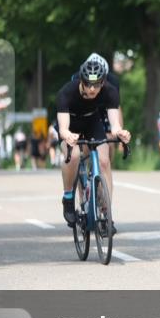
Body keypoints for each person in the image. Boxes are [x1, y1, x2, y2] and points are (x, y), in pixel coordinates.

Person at [56, 53, 131, 230]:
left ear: (103, 82)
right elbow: (63, 128)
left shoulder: (110, 91)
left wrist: (121, 133)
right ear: (81, 80)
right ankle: (68, 198)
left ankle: (106, 214)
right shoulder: (66, 92)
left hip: (91, 121)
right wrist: (68, 135)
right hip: (70, 123)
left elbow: (114, 125)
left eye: (96, 84)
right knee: (73, 155)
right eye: (88, 84)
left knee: (104, 160)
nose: (92, 89)